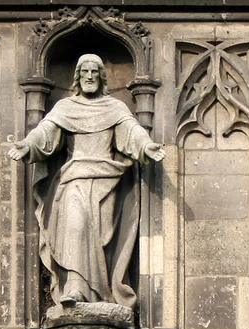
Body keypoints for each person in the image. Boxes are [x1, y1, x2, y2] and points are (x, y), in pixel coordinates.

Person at [9, 54, 165, 308]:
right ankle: (75, 287)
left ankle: (101, 293)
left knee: (101, 238)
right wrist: (27, 145)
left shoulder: (114, 108)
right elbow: (45, 132)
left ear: (101, 76)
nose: (89, 77)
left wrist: (147, 147)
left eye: (94, 72)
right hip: (74, 179)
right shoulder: (65, 108)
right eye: (85, 73)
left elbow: (132, 132)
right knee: (75, 225)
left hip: (106, 179)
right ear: (78, 77)